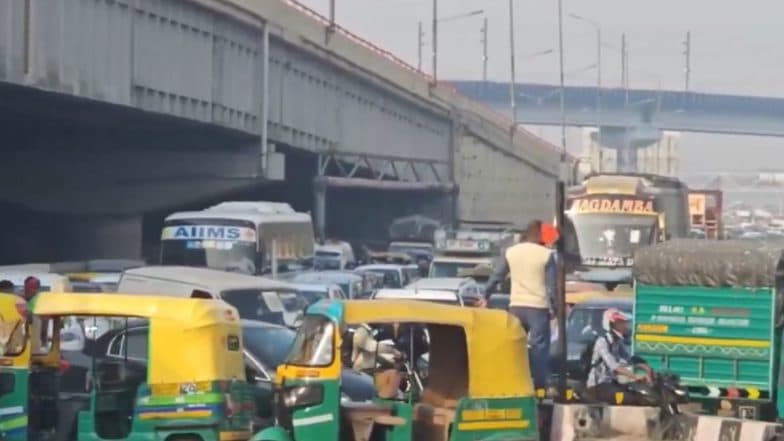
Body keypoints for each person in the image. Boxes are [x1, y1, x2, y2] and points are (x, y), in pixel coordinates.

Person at [478, 220, 558, 392]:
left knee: (514, 344)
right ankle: (539, 385)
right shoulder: (546, 254)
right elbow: (553, 287)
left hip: (516, 306)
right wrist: (555, 309)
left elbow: (497, 276)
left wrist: (485, 296)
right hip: (538, 307)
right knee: (539, 348)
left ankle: (511, 380)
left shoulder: (511, 252)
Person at [585, 308, 653, 402]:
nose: (624, 326)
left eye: (624, 323)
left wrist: (645, 368)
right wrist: (635, 376)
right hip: (598, 385)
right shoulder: (602, 342)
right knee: (629, 399)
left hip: (611, 383)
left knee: (641, 394)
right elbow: (614, 366)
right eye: (619, 323)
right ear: (610, 324)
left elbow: (628, 360)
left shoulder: (617, 342)